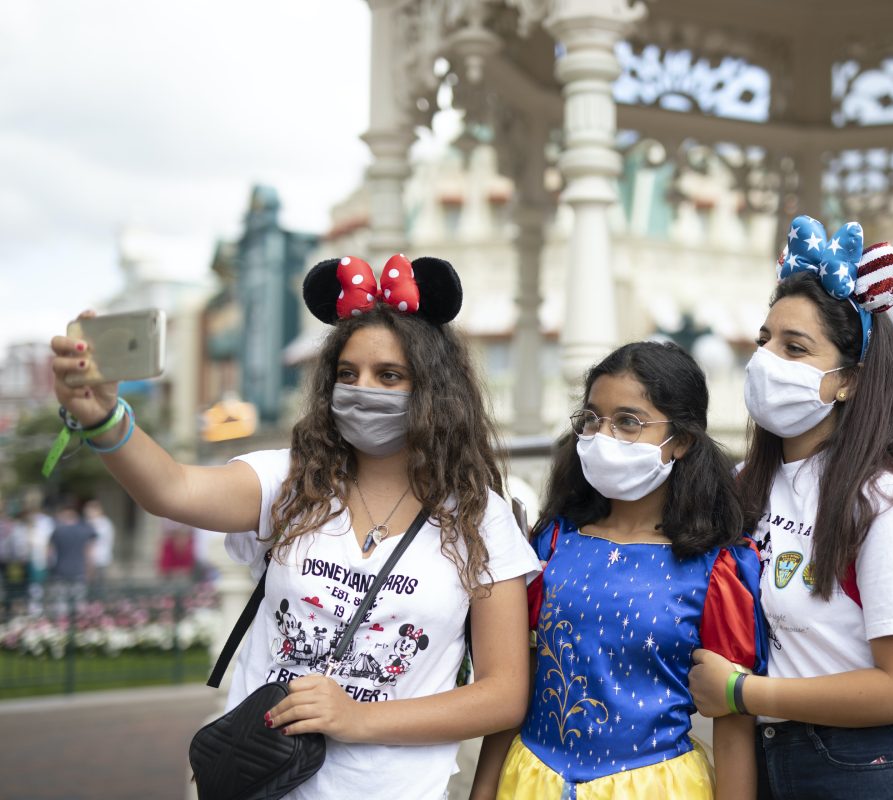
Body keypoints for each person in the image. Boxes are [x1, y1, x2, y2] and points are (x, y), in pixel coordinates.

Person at [50, 254, 540, 800]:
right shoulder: (286, 479)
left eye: (390, 376)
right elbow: (170, 489)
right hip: (258, 780)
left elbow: (503, 694)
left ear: (433, 391)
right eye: (347, 374)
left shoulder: (479, 516)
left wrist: (355, 718)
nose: (363, 389)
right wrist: (102, 416)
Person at [688, 217, 893, 799]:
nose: (767, 358)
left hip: (871, 769)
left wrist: (745, 693)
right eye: (765, 340)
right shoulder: (745, 486)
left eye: (795, 347)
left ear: (848, 380)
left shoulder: (884, 503)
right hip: (771, 764)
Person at [472, 341, 767, 800]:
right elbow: (517, 688)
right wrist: (483, 791)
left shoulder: (718, 568)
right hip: (529, 782)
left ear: (682, 441)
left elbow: (732, 728)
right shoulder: (551, 544)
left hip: (656, 788)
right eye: (593, 419)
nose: (604, 437)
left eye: (628, 422)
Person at [47, 501, 97, 616]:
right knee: (79, 605)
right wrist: (90, 569)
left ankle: (62, 629)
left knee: (61, 606)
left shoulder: (57, 531)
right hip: (79, 571)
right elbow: (89, 553)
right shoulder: (85, 530)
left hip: (60, 571)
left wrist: (49, 568)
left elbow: (50, 553)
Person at [82, 499, 115, 587]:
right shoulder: (86, 522)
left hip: (100, 559)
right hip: (87, 560)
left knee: (98, 585)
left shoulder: (104, 523)